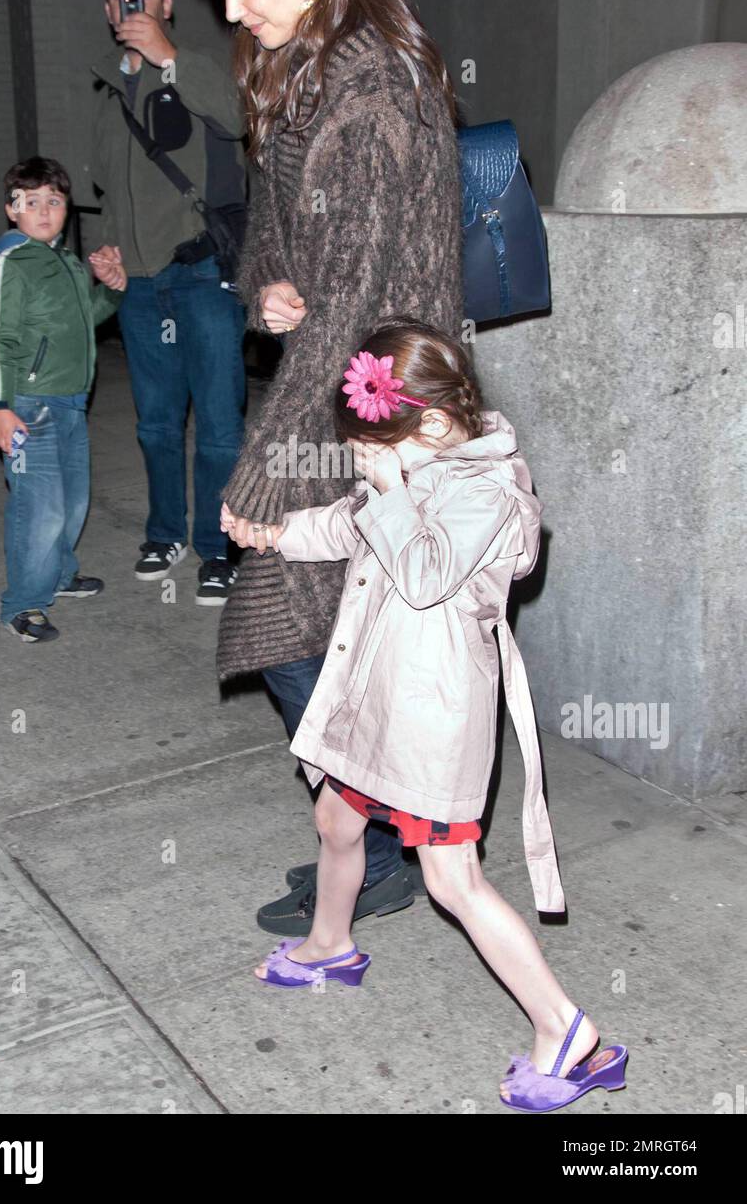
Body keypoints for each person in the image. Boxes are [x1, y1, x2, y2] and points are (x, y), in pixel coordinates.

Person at [232, 319, 629, 1114]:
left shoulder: (484, 491)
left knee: (453, 879)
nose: (367, 468)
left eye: (378, 452)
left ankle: (568, 1034)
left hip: (428, 714)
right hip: (375, 699)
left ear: (438, 425)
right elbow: (349, 523)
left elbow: (420, 573)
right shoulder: (420, 466)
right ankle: (329, 945)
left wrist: (387, 489)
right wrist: (276, 533)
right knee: (336, 819)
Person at [190, 0, 465, 933]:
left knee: (300, 627)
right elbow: (273, 231)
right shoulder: (296, 69)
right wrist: (267, 288)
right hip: (334, 391)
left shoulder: (371, 85)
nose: (229, 7)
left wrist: (261, 470)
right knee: (325, 636)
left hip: (386, 412)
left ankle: (391, 838)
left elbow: (357, 303)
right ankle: (377, 835)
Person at [89, 0, 247, 604]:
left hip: (200, 271)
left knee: (216, 421)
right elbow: (104, 188)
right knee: (155, 424)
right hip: (142, 283)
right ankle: (164, 532)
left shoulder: (197, 69)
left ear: (167, 2)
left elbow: (236, 122)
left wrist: (169, 59)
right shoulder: (104, 89)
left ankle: (216, 545)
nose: (135, 5)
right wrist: (104, 247)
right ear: (107, 8)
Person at [0, 156, 126, 642]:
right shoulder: (10, 261)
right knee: (39, 508)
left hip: (70, 403)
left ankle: (59, 575)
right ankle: (23, 604)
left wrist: (114, 291)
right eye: (31, 202)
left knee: (73, 502)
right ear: (11, 209)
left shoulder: (62, 260)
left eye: (54, 202)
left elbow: (88, 322)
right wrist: (0, 406)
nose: (44, 211)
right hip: (28, 405)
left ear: (67, 209)